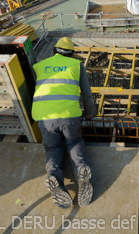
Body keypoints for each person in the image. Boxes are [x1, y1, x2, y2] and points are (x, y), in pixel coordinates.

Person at [32, 37, 96, 208]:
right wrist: (90, 113)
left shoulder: (39, 66)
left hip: (44, 117)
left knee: (53, 147)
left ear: (54, 50)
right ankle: (81, 168)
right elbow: (87, 94)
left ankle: (53, 174)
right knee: (73, 142)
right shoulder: (76, 65)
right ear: (72, 53)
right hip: (69, 115)